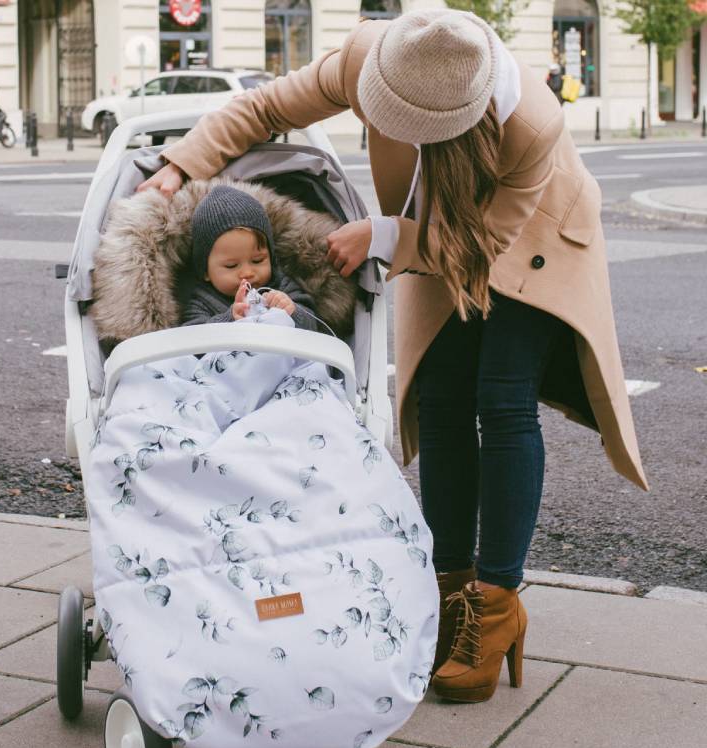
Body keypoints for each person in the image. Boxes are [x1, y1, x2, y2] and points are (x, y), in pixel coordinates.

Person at [138, 9, 647, 704]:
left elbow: (483, 246)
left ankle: (495, 605)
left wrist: (384, 233)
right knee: (438, 397)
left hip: (533, 235)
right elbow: (263, 106)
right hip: (433, 224)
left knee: (501, 399)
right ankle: (448, 591)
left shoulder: (532, 121)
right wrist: (178, 164)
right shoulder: (369, 56)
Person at [181, 184, 319, 331]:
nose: (247, 273)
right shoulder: (202, 302)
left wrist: (292, 311)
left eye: (257, 260)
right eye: (231, 265)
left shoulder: (283, 286)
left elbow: (314, 327)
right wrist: (229, 320)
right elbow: (194, 340)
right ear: (205, 271)